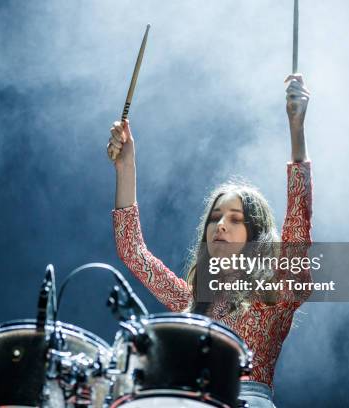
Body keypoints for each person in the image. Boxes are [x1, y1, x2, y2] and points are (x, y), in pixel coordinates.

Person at [106, 74, 313, 408]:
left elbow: (298, 224)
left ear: (256, 237)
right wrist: (126, 166)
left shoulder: (275, 295)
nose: (220, 226)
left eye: (235, 219)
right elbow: (133, 252)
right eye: (215, 217)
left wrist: (296, 128)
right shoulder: (191, 302)